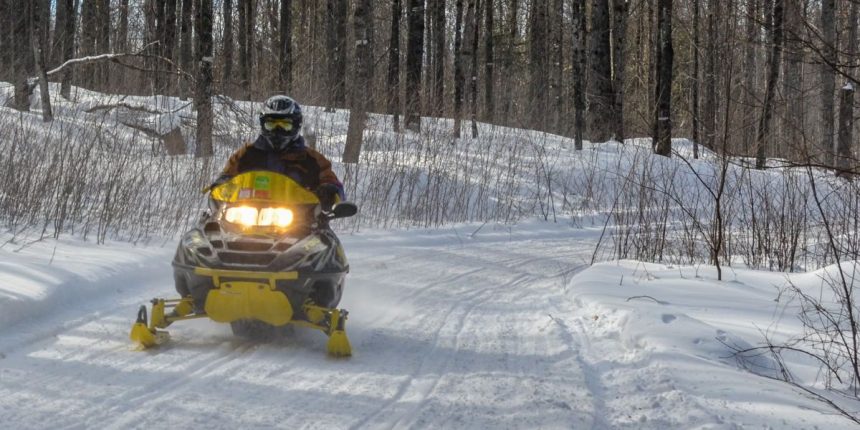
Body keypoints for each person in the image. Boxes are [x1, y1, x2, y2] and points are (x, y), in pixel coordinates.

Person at [218, 95, 345, 210]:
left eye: (285, 125)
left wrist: (329, 190)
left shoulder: (312, 159)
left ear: (297, 125)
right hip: (245, 219)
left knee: (322, 235)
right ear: (263, 125)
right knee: (208, 231)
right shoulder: (246, 154)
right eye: (271, 124)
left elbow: (332, 182)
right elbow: (226, 177)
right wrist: (221, 184)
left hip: (299, 223)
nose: (277, 130)